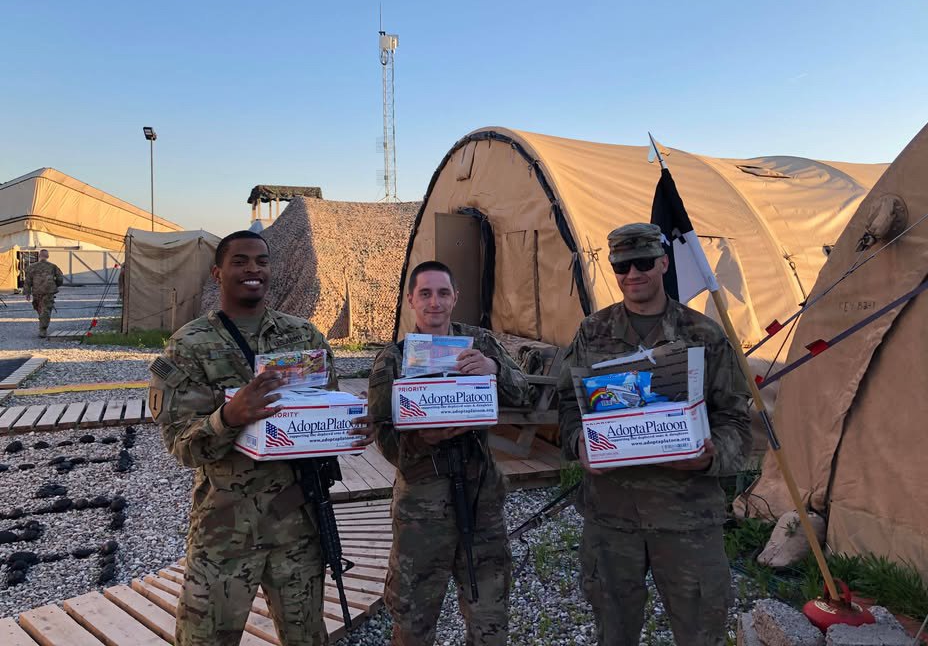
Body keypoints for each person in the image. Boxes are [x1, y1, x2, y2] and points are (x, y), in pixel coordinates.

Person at [148, 230, 373, 646]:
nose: (253, 269)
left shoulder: (304, 337)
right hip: (225, 529)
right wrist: (229, 417)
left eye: (262, 261)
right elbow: (181, 445)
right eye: (240, 261)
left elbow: (328, 409)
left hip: (298, 525)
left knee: (306, 637)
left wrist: (353, 429)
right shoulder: (190, 346)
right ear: (218, 273)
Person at [557, 223, 753, 646]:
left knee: (701, 631)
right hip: (612, 518)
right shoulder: (592, 332)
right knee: (613, 630)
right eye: (622, 266)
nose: (633, 274)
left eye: (643, 262)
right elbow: (568, 406)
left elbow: (736, 417)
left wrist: (711, 454)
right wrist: (579, 445)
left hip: (686, 517)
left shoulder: (704, 336)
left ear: (663, 263)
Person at [367, 260, 531, 646]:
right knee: (413, 621)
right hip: (421, 514)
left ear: (455, 298)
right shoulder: (392, 359)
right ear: (411, 300)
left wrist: (493, 369)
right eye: (425, 293)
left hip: (481, 503)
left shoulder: (480, 345)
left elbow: (523, 392)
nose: (434, 302)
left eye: (443, 293)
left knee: (490, 617)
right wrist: (426, 438)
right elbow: (382, 433)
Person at [23, 249, 64, 338]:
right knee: (46, 310)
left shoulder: (32, 267)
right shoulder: (53, 267)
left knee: (40, 309)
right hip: (48, 292)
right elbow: (60, 278)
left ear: (39, 256)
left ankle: (42, 328)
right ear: (48, 256)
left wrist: (27, 293)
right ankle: (43, 329)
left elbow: (28, 280)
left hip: (37, 292)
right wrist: (55, 285)